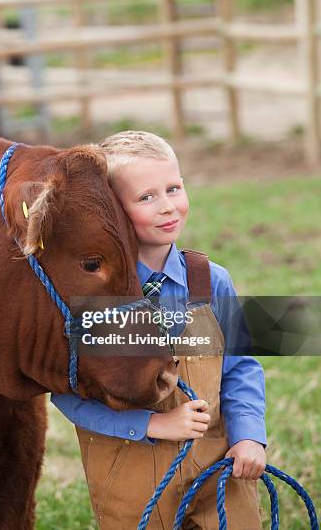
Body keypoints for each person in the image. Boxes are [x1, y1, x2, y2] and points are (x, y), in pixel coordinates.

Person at [51, 130, 266, 529]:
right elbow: (65, 394)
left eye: (174, 188)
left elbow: (240, 366)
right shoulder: (92, 298)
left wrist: (249, 435)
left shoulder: (210, 281)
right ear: (113, 210)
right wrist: (153, 424)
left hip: (217, 467)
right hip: (130, 475)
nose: (168, 207)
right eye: (146, 197)